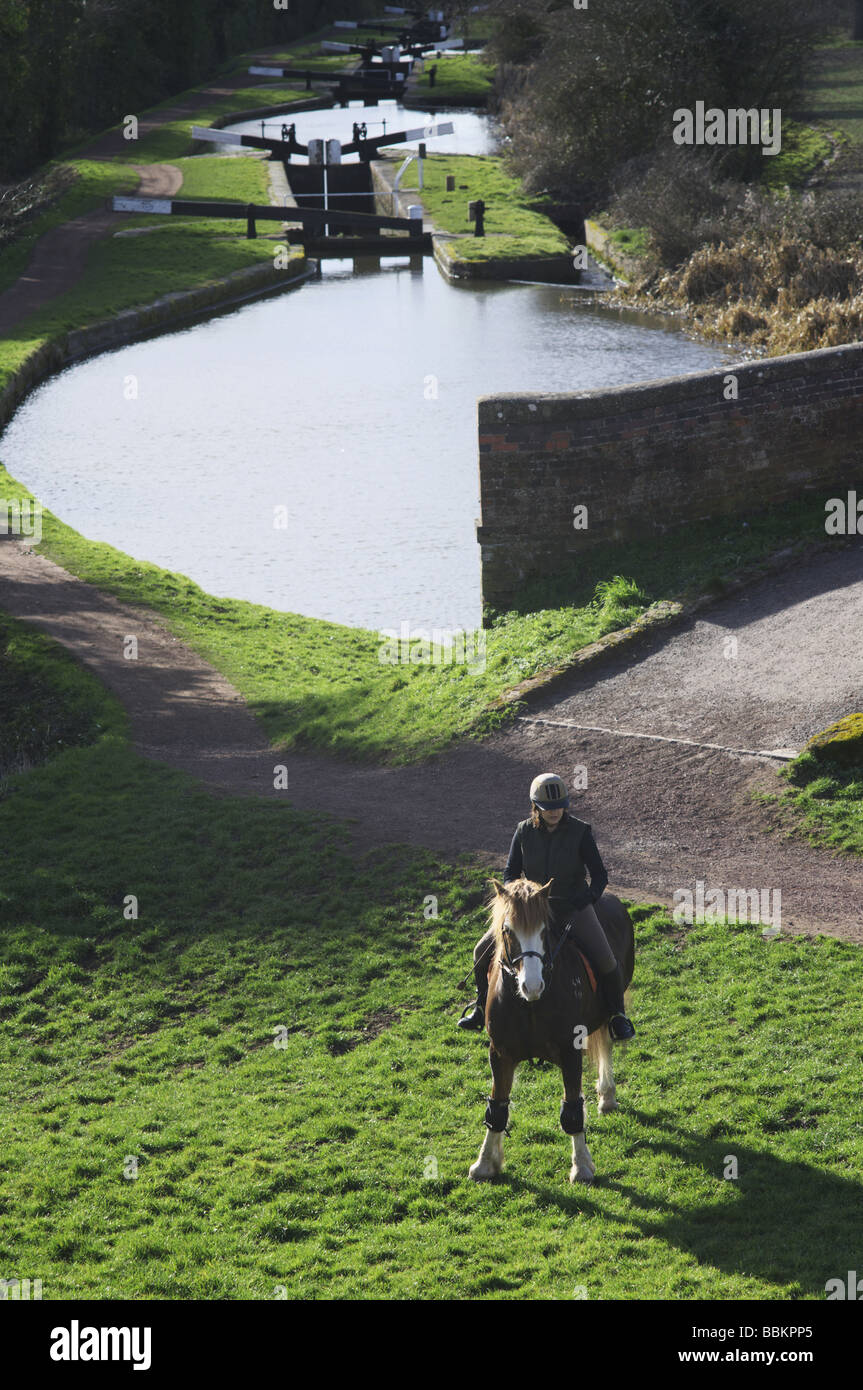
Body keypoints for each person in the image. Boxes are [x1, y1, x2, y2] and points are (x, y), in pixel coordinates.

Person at [458, 772, 636, 1040]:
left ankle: (617, 1016)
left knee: (607, 959)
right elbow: (509, 873)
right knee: (480, 950)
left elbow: (600, 875)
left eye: (560, 806)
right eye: (549, 808)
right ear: (536, 807)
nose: (555, 812)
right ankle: (480, 1006)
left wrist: (586, 899)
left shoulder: (581, 832)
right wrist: (519, 894)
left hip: (571, 907)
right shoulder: (523, 832)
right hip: (530, 910)